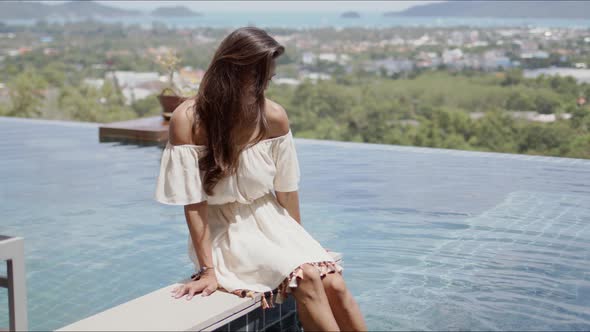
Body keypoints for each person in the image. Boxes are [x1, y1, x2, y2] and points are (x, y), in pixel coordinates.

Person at [154, 26, 367, 331]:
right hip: (225, 228)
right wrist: (207, 270)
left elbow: (287, 191)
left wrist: (298, 244)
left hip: (272, 220)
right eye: (257, 75)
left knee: (333, 283)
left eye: (267, 75)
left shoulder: (274, 117)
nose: (265, 82)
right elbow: (194, 204)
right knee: (306, 277)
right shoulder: (188, 120)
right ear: (231, 70)